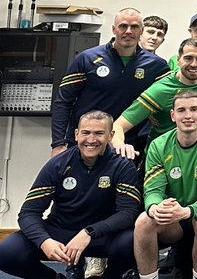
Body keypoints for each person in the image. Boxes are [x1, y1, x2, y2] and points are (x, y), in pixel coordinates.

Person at [0, 111, 139, 279]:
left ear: (111, 136)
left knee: (133, 240)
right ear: (76, 134)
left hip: (102, 235)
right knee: (7, 251)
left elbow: (128, 213)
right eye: (86, 133)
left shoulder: (123, 165)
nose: (91, 140)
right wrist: (45, 241)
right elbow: (28, 213)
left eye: (99, 133)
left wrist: (90, 232)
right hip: (61, 231)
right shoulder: (58, 164)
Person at [133, 91, 197, 279]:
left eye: (194, 109)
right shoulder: (158, 145)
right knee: (144, 222)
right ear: (173, 115)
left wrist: (188, 211)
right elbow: (153, 190)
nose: (188, 116)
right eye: (181, 110)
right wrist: (155, 207)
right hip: (173, 217)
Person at [51, 8, 169, 156]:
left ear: (141, 31)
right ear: (114, 29)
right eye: (123, 26)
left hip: (128, 148)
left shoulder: (157, 66)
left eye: (134, 27)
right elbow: (63, 102)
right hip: (85, 144)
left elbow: (171, 99)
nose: (128, 31)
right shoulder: (87, 59)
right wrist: (58, 144)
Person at [112, 38, 197, 156]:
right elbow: (118, 125)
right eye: (188, 58)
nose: (194, 64)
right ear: (178, 60)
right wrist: (120, 145)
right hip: (162, 156)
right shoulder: (160, 91)